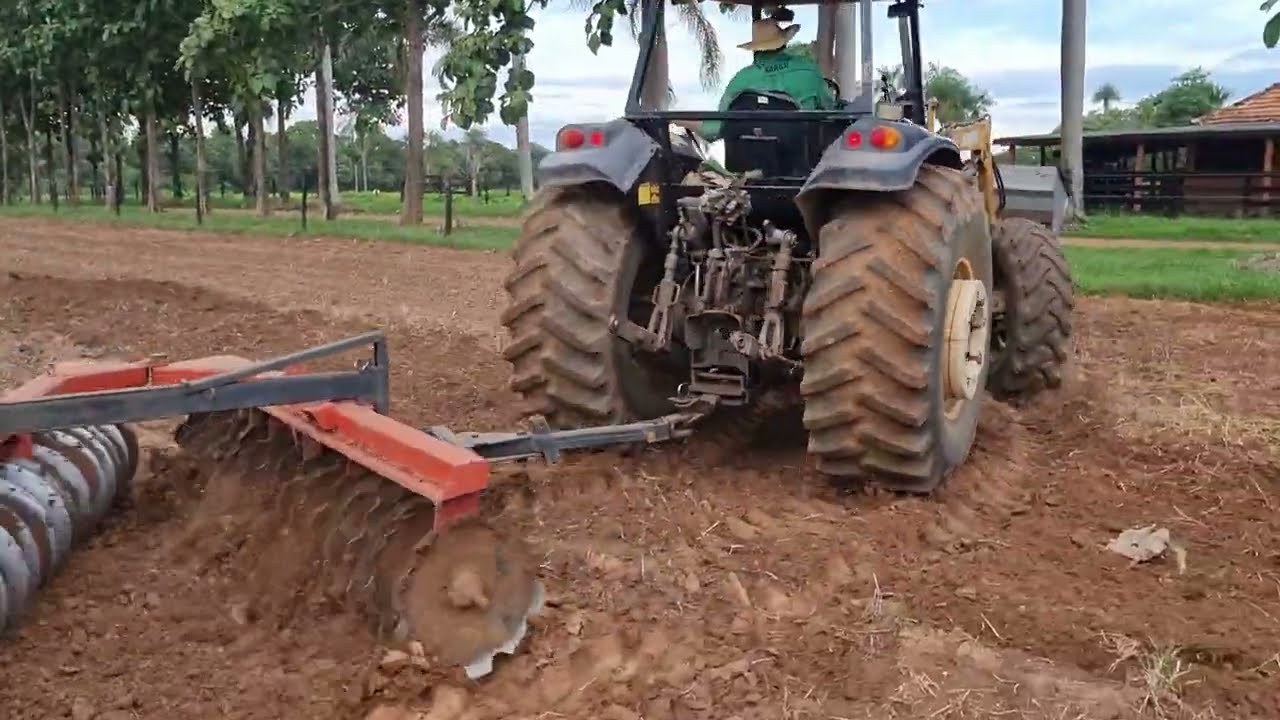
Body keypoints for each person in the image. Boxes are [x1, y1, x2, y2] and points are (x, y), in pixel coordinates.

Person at [675, 16, 838, 142]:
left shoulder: (741, 80)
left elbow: (715, 129)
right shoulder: (808, 70)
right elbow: (830, 111)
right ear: (784, 44)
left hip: (749, 166)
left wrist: (677, 121)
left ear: (755, 50)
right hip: (802, 163)